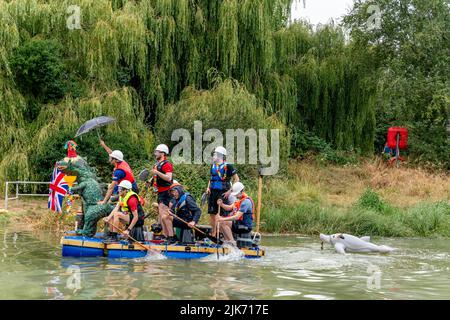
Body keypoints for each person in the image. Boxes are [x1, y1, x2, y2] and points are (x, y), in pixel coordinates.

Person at [205, 146, 239, 237]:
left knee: (220, 215)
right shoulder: (213, 166)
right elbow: (211, 178)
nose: (213, 156)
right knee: (212, 214)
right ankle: (213, 233)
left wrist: (229, 191)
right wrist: (208, 188)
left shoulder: (228, 166)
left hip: (223, 192)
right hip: (212, 192)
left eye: (214, 154)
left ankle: (221, 233)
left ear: (220, 156)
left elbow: (237, 179)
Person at [98, 139, 138, 204]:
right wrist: (103, 145)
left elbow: (111, 188)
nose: (109, 158)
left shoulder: (119, 171)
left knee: (111, 200)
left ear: (115, 160)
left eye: (111, 158)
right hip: (129, 187)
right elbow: (111, 152)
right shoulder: (122, 161)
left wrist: (104, 201)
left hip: (130, 190)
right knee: (112, 190)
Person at [217, 182, 254, 246]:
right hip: (238, 223)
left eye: (236, 194)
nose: (235, 196)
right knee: (220, 224)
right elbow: (229, 208)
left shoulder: (246, 202)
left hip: (244, 226)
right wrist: (221, 204)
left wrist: (222, 219)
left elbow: (237, 217)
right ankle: (227, 242)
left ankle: (233, 243)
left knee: (223, 222)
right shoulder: (238, 200)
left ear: (242, 191)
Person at [151, 144, 174, 234]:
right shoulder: (157, 164)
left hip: (166, 191)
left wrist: (156, 172)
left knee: (164, 215)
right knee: (161, 214)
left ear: (162, 153)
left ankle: (167, 235)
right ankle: (165, 235)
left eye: (157, 152)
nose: (155, 153)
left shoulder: (167, 164)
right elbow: (157, 176)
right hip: (160, 191)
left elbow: (168, 178)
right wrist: (151, 180)